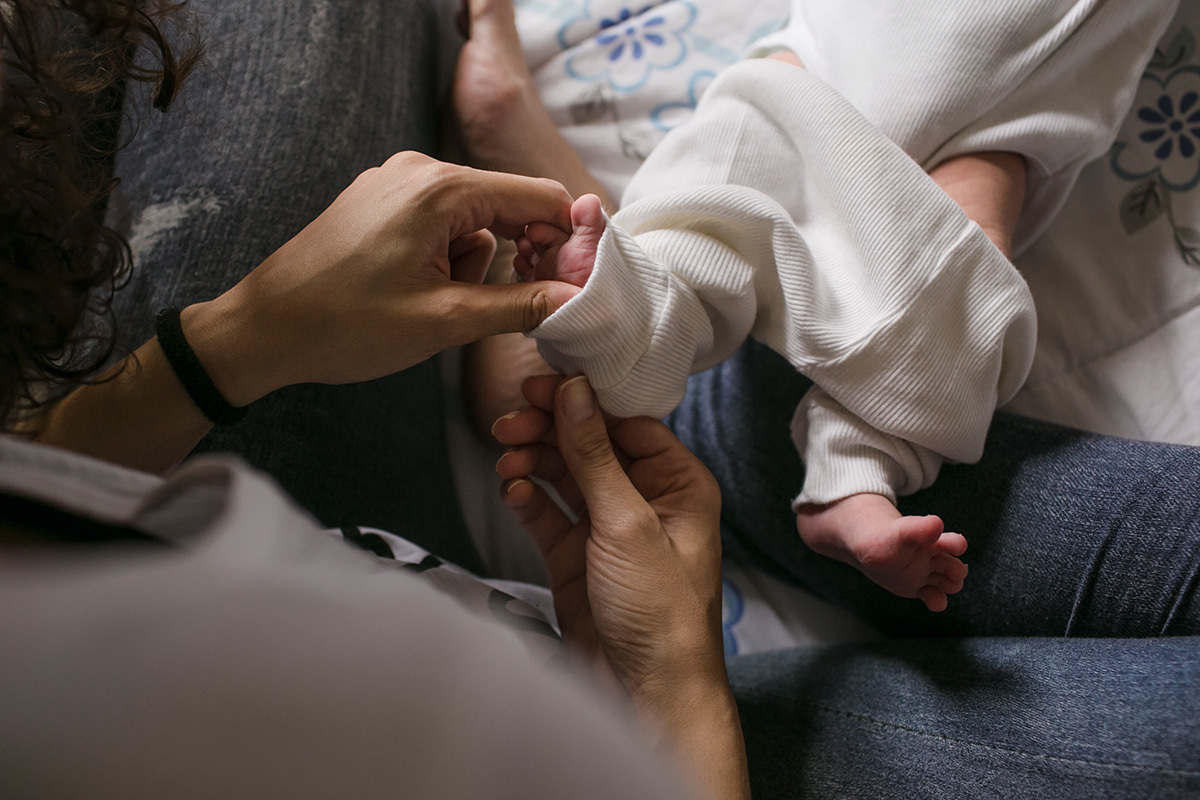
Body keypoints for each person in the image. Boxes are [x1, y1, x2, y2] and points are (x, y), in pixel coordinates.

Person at [3, 2, 1200, 799]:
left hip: (383, 550)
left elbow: (45, 480)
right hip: (637, 742)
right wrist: (674, 687)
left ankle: (653, 332)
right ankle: (700, 340)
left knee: (799, 276)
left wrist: (236, 337)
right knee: (863, 235)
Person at [466, 0, 1171, 610]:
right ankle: (609, 307)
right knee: (714, 196)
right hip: (825, 64)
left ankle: (852, 475)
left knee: (969, 292)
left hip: (1004, 129)